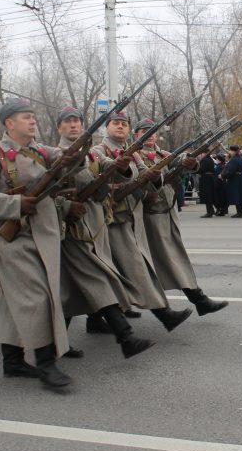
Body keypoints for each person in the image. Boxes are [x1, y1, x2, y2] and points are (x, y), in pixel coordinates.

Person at [0, 98, 77, 388]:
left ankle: (12, 361)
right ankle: (46, 363)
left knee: (14, 298)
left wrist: (72, 154)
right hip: (15, 237)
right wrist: (14, 204)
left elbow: (69, 157)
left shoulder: (40, 150)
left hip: (45, 234)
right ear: (9, 123)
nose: (32, 120)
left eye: (33, 116)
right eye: (25, 117)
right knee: (36, 297)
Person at [55, 107, 154, 358]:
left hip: (92, 225)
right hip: (70, 229)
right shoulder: (55, 154)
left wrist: (121, 164)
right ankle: (126, 336)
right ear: (59, 128)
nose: (74, 125)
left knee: (70, 289)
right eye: (67, 122)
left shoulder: (89, 153)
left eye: (77, 120)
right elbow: (46, 190)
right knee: (100, 278)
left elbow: (107, 166)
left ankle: (56, 346)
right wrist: (65, 206)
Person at [91, 111, 193, 333]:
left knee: (112, 270)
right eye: (115, 123)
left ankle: (95, 318)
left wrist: (159, 175)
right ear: (106, 128)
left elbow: (149, 176)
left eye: (124, 124)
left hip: (129, 217)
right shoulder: (97, 150)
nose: (120, 127)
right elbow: (106, 170)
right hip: (109, 219)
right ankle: (164, 315)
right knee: (134, 267)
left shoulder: (135, 154)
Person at [134, 119, 229, 317]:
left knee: (171, 259)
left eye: (153, 131)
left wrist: (191, 161)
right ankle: (198, 300)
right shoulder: (135, 156)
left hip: (167, 214)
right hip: (148, 217)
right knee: (163, 262)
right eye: (145, 131)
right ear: (136, 135)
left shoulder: (163, 154)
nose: (150, 135)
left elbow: (182, 159)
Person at [221, 145, 242, 218]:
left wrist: (223, 176)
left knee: (236, 195)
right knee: (239, 195)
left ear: (233, 151)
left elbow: (231, 171)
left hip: (235, 179)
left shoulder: (234, 159)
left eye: (230, 150)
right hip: (240, 178)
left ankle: (239, 212)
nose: (229, 152)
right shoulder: (239, 158)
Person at [197, 151, 216, 218]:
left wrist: (195, 170)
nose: (201, 155)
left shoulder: (205, 160)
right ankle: (211, 210)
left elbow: (202, 169)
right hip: (209, 178)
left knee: (207, 195)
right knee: (209, 195)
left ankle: (209, 212)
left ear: (204, 153)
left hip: (206, 179)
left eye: (201, 153)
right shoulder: (210, 159)